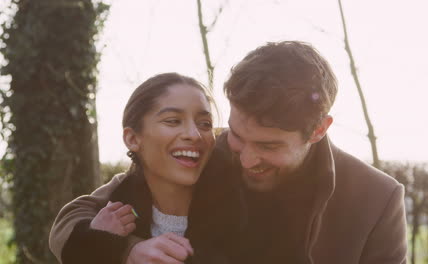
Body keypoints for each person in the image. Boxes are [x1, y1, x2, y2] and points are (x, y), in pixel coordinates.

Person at [50, 41, 407, 263]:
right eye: (237, 135)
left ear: (318, 130)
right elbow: (80, 214)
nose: (247, 159)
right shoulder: (206, 151)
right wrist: (126, 251)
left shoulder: (376, 199)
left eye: (268, 146)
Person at [49, 72, 244, 264]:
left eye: (205, 124)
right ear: (133, 139)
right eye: (173, 121)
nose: (194, 134)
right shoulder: (123, 194)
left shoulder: (239, 186)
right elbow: (67, 223)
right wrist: (126, 250)